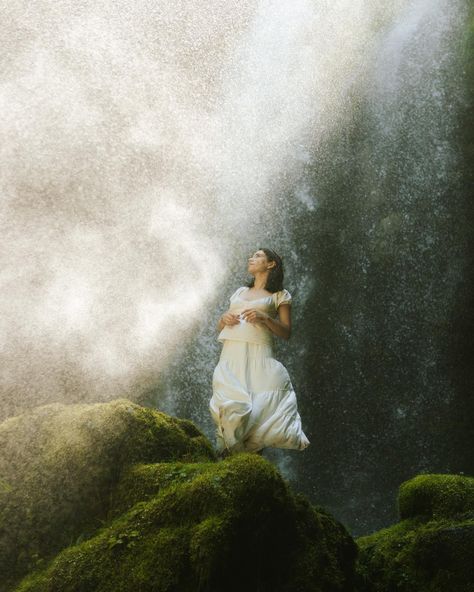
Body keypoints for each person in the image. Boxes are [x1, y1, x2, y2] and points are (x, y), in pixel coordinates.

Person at [209, 247, 310, 459]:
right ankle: (227, 455)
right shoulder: (238, 293)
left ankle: (249, 462)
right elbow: (221, 325)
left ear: (271, 264)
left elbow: (286, 332)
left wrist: (264, 318)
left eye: (257, 256)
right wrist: (223, 319)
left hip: (259, 356)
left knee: (258, 409)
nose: (251, 258)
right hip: (232, 353)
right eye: (251, 255)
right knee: (231, 402)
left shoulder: (280, 296)